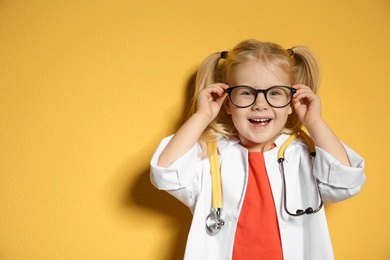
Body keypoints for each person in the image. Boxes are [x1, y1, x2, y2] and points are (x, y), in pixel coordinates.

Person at [150, 39, 365, 260]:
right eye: (246, 92)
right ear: (228, 103)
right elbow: (166, 174)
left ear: (292, 102)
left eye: (274, 93)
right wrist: (202, 115)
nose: (260, 104)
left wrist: (314, 121)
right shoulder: (211, 157)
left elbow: (346, 182)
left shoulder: (305, 154)